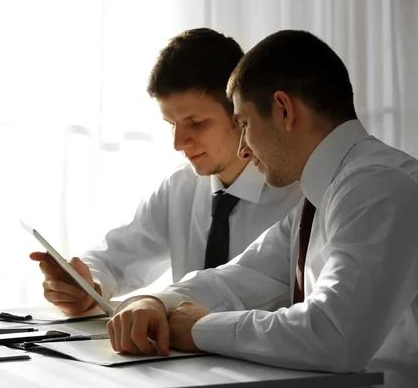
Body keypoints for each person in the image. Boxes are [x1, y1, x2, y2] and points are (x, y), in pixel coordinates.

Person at [106, 29, 418, 388]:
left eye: (244, 124)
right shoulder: (321, 199)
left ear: (284, 110)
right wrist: (156, 302)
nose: (242, 149)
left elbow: (334, 336)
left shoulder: (379, 186)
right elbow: (239, 277)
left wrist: (199, 329)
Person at [30, 28, 302, 316]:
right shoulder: (180, 188)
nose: (178, 143)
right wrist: (87, 287)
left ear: (239, 112)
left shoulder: (299, 196)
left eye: (196, 123)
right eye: (171, 124)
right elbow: (118, 257)